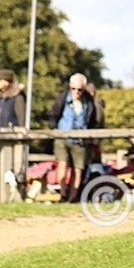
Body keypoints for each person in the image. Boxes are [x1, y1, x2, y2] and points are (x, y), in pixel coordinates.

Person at [48, 73, 98, 202]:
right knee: (62, 164)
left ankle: (73, 197)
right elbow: (53, 114)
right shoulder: (62, 97)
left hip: (80, 140)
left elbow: (92, 120)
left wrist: (90, 136)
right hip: (62, 137)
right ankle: (63, 194)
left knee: (78, 168)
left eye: (80, 89)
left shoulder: (89, 101)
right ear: (70, 87)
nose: (77, 92)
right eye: (74, 89)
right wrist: (54, 129)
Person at [0, 69, 27, 201]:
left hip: (13, 137)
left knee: (14, 168)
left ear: (6, 82)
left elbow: (21, 118)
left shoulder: (18, 97)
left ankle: (14, 197)